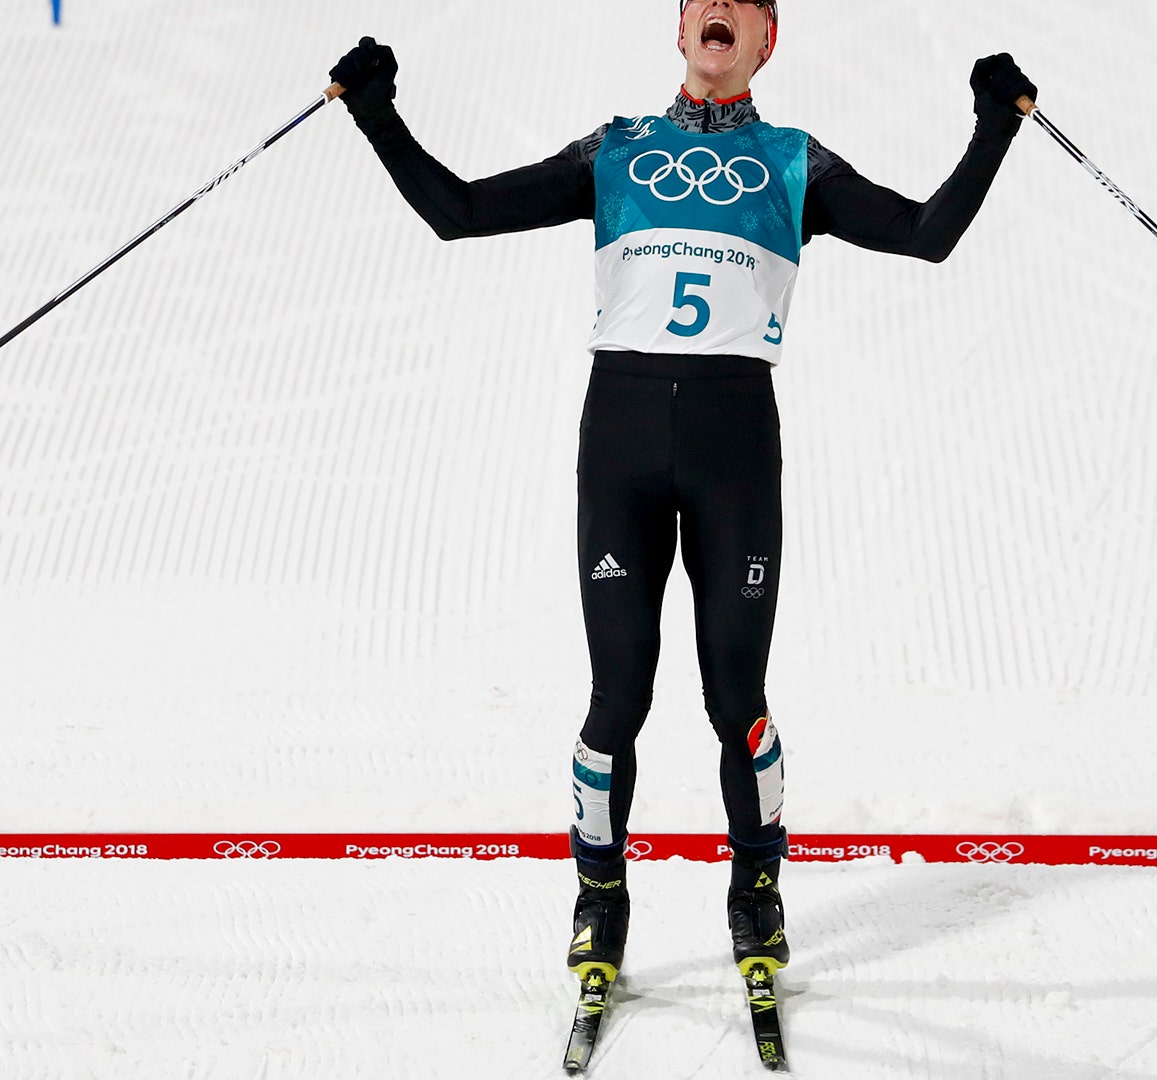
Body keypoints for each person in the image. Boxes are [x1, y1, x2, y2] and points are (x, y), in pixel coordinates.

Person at [328, 0, 1035, 990]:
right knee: (616, 698)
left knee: (734, 697)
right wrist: (375, 112)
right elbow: (461, 214)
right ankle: (600, 895)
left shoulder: (798, 164)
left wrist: (995, 124)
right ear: (679, 29)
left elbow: (925, 233)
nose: (716, 8)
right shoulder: (613, 152)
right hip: (619, 441)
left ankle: (756, 887)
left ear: (764, 39)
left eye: (741, 1)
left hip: (734, 444)